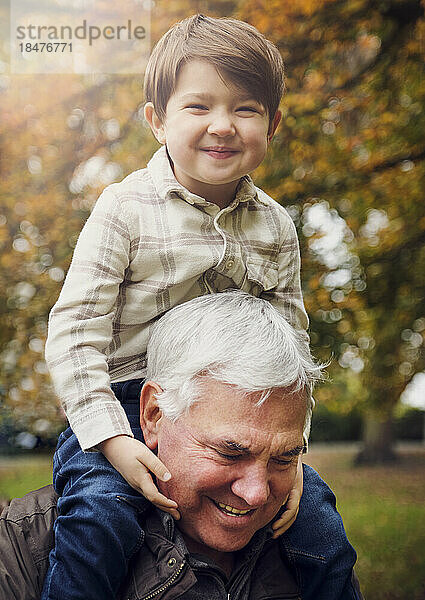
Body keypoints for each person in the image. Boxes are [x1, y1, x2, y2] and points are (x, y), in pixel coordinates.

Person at [42, 13, 310, 600]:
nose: (223, 126)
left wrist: (289, 454)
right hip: (121, 403)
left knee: (319, 527)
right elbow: (73, 332)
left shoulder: (276, 226)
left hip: (241, 420)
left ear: (274, 123)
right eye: (198, 107)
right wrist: (112, 440)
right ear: (156, 120)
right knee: (101, 518)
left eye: (245, 109)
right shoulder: (124, 211)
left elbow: (292, 350)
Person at [0, 291, 363, 600]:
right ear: (153, 415)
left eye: (285, 458)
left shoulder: (310, 545)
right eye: (230, 452)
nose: (256, 494)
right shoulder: (24, 547)